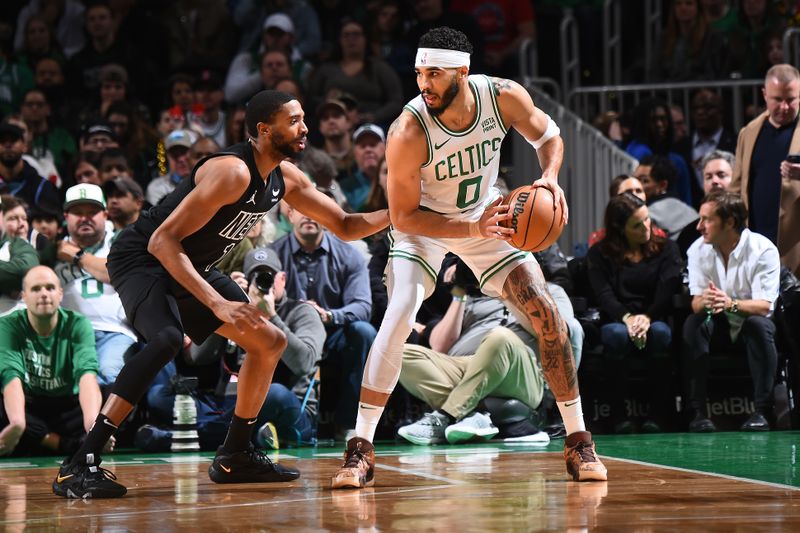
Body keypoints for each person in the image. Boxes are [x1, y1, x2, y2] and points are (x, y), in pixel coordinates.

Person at [51, 90, 389, 499]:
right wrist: (216, 301)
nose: (305, 128)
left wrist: (401, 212)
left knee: (270, 341)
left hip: (191, 266)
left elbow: (348, 225)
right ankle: (79, 464)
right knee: (166, 340)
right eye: (294, 120)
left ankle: (234, 454)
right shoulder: (232, 172)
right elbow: (162, 241)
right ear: (265, 130)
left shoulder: (286, 177)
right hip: (143, 258)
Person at [330, 26, 606, 490]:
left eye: (434, 73)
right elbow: (404, 216)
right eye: (419, 73)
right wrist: (471, 228)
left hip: (486, 214)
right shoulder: (407, 130)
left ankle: (579, 441)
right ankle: (360, 449)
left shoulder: (503, 97)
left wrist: (550, 179)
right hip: (426, 225)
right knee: (398, 316)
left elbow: (549, 137)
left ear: (463, 71)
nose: (424, 83)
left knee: (546, 310)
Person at [271, 201, 376, 440]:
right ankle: (280, 422)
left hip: (333, 333)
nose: (309, 215)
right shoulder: (274, 253)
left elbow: (363, 305)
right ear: (290, 214)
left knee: (364, 332)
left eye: (316, 210)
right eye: (302, 209)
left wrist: (328, 315)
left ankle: (347, 424)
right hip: (291, 332)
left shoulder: (350, 255)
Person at [683, 191, 780, 432]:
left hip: (752, 321)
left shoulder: (762, 249)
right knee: (694, 323)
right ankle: (697, 412)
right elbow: (696, 303)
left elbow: (765, 306)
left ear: (730, 223)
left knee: (758, 325)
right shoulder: (697, 249)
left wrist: (729, 303)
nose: (699, 226)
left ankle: (763, 411)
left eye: (707, 220)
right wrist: (709, 300)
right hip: (720, 324)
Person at [587, 193, 683, 433]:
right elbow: (604, 295)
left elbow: (666, 290)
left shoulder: (667, 248)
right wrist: (628, 318)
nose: (646, 228)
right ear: (620, 228)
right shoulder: (600, 254)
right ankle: (619, 417)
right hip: (618, 319)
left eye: (647, 220)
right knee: (616, 336)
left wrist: (646, 317)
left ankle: (658, 415)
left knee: (660, 334)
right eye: (637, 225)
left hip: (655, 317)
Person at [0, 266, 107, 457]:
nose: (43, 294)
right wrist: (17, 423)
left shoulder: (78, 323)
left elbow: (86, 374)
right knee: (6, 409)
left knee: (115, 397)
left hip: (67, 408)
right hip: (28, 405)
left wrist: (93, 426)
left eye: (49, 288)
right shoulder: (8, 325)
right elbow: (11, 375)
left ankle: (45, 442)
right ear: (24, 296)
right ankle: (70, 445)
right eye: (35, 289)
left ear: (60, 294)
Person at [55, 184, 138, 387]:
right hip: (68, 336)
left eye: (92, 212)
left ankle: (107, 420)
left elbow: (114, 272)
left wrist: (77, 256)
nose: (85, 218)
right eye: (77, 212)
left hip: (115, 331)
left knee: (109, 376)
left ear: (105, 214)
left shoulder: (120, 241)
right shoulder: (53, 251)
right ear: (66, 217)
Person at [730, 64, 800, 276]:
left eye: (791, 99)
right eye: (777, 99)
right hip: (755, 244)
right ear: (764, 94)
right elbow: (736, 187)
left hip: (795, 244)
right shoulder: (748, 132)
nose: (785, 107)